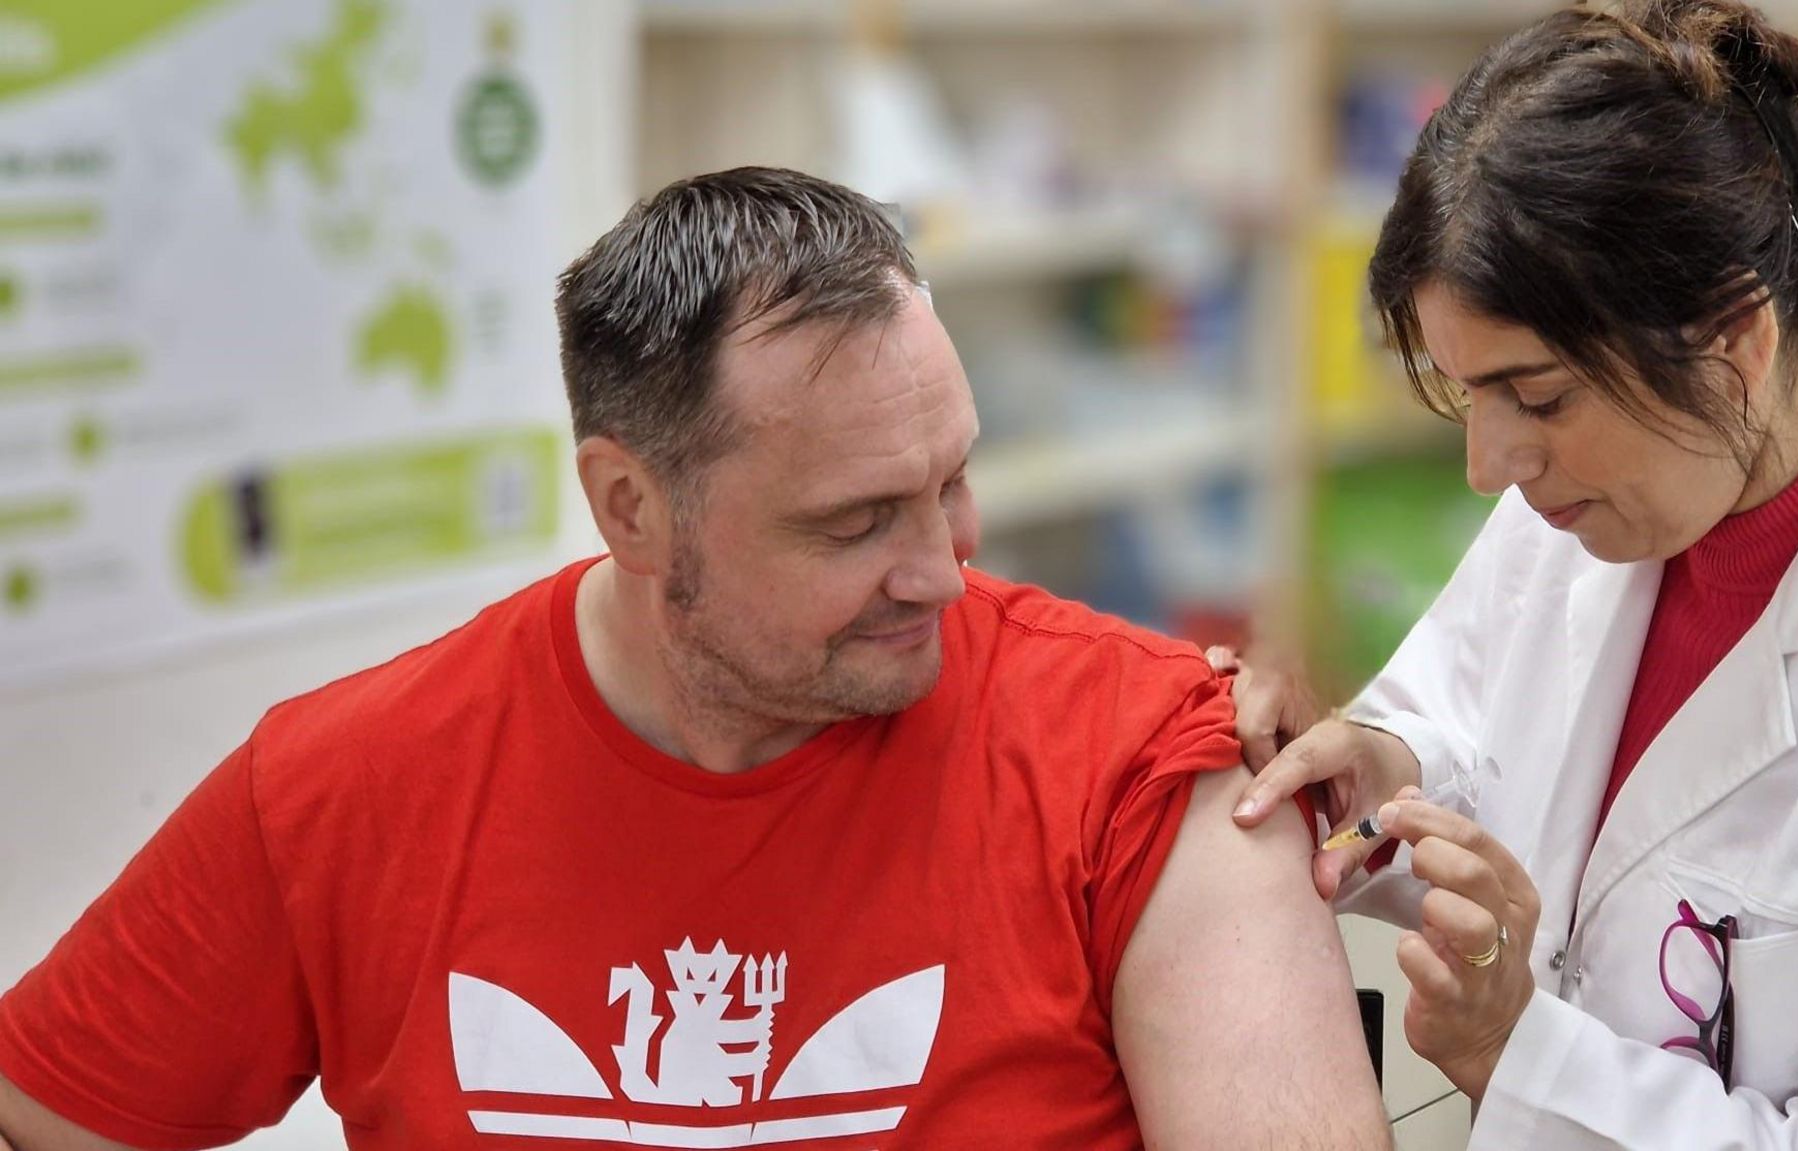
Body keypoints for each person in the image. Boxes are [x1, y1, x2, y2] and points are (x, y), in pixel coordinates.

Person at [0, 168, 1387, 1150]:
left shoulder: (1143, 754)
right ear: (631, 508)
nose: (944, 565)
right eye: (855, 520)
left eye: (952, 479)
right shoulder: (343, 786)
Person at [1219, 1, 1798, 1147]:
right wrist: (1383, 770)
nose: (1487, 466)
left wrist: (1515, 1050)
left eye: (1537, 396)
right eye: (1470, 395)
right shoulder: (1618, 481)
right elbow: (1487, 734)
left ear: (1733, 347)